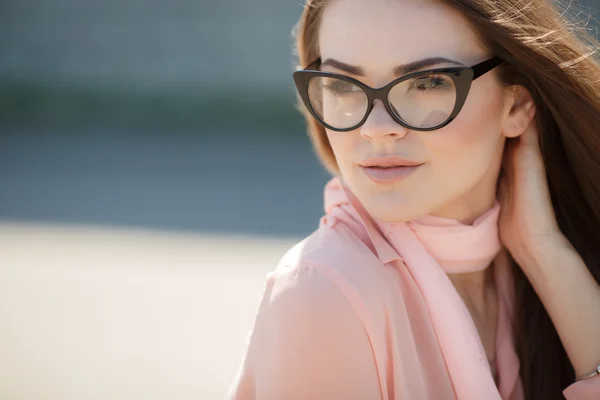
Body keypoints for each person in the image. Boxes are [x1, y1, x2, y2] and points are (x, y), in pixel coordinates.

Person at [228, 0, 600, 398]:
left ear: (517, 104)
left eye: (427, 83)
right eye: (341, 84)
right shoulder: (323, 292)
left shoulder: (524, 263)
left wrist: (546, 254)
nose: (376, 129)